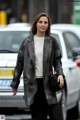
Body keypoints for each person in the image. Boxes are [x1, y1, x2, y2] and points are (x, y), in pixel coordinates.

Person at [10, 12, 64, 120]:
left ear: (48, 25)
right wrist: (15, 84)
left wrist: (60, 74)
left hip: (48, 84)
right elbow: (19, 64)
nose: (43, 24)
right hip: (32, 85)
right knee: (37, 116)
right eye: (40, 22)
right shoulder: (27, 42)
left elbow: (57, 61)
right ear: (36, 24)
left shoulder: (52, 41)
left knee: (56, 115)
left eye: (45, 22)